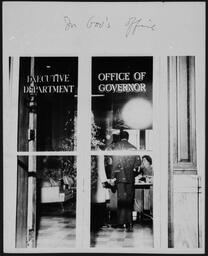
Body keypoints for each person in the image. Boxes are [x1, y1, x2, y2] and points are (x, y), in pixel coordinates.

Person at [110, 130, 141, 232]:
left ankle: (121, 222)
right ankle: (129, 222)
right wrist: (132, 173)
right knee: (129, 200)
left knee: (122, 200)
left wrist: (112, 177)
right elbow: (138, 164)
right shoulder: (134, 148)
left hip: (120, 178)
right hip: (130, 178)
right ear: (128, 138)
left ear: (120, 137)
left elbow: (115, 162)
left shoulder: (117, 146)